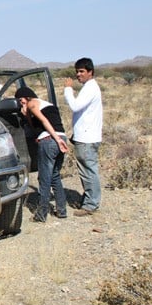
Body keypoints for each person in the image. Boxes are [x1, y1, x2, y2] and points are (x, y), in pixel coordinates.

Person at [15, 86, 69, 222]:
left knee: (44, 179)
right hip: (62, 136)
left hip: (49, 139)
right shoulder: (48, 104)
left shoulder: (33, 103)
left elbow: (45, 122)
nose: (20, 103)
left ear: (27, 96)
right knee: (55, 175)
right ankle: (62, 210)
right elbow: (37, 126)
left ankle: (41, 214)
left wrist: (55, 139)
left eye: (20, 99)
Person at [64, 57, 103, 216]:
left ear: (90, 72)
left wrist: (68, 89)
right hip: (86, 136)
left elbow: (74, 105)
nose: (78, 75)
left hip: (87, 138)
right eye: (77, 71)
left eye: (81, 71)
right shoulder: (90, 87)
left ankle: (91, 204)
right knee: (87, 170)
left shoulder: (90, 88)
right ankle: (89, 199)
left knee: (88, 171)